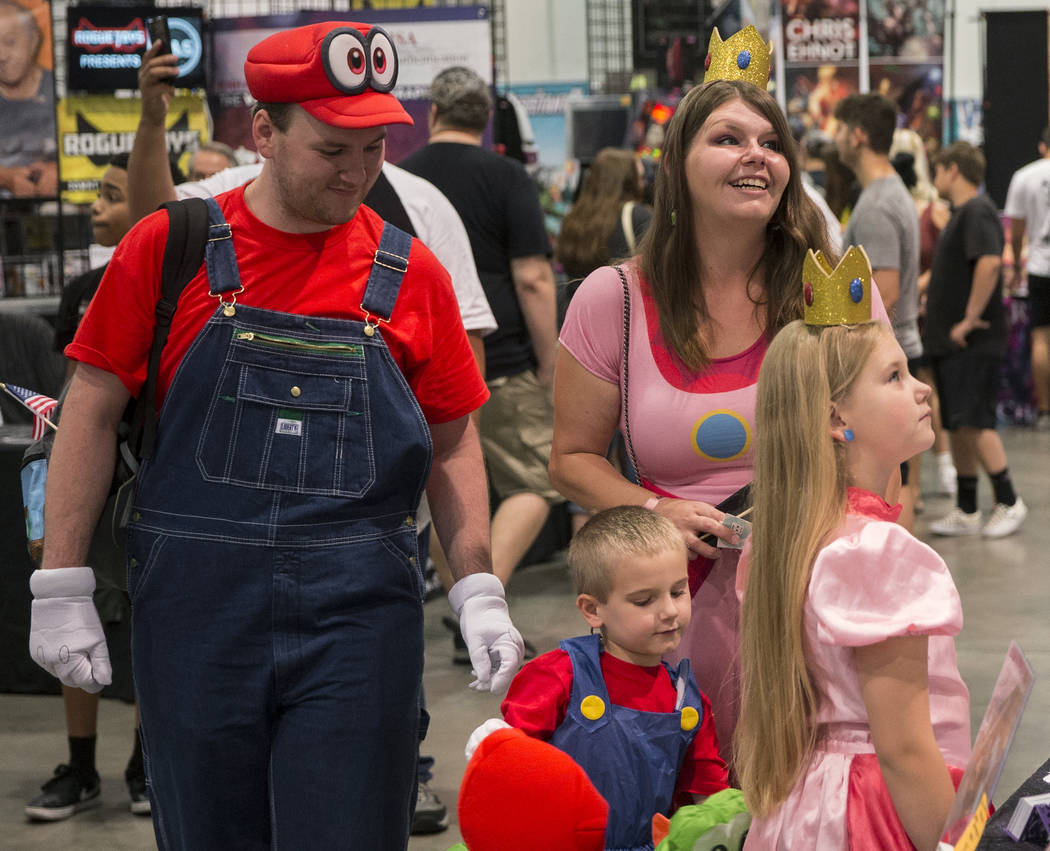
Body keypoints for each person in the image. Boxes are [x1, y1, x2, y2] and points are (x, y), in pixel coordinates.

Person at [26, 21, 523, 850]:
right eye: (333, 149)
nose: (358, 172)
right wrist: (61, 581)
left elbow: (451, 439)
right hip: (195, 609)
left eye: (372, 149)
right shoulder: (171, 248)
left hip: (360, 613)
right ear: (263, 130)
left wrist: (477, 587)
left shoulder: (412, 274)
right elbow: (92, 405)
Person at [549, 26, 891, 768]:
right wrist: (653, 509)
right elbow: (571, 458)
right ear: (677, 163)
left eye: (771, 142)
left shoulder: (826, 287)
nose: (755, 155)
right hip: (672, 616)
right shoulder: (614, 299)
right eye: (728, 137)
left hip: (816, 596)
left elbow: (888, 440)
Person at [736, 263, 971, 850]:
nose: (921, 388)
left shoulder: (793, 537)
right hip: (873, 813)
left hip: (805, 805)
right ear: (837, 418)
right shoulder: (875, 553)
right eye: (893, 377)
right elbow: (906, 750)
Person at [23, 152, 179, 822]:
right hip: (93, 478)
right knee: (74, 616)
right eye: (100, 195)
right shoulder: (83, 288)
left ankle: (146, 759)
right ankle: (80, 763)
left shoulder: (187, 279)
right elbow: (72, 406)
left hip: (155, 485)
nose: (97, 206)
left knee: (152, 627)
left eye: (113, 195)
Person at [401, 65, 561, 651]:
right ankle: (481, 595)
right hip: (502, 358)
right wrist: (551, 363)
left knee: (441, 486)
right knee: (539, 482)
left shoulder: (402, 178)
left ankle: (463, 599)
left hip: (420, 358)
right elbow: (534, 277)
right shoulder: (508, 176)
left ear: (433, 116)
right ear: (486, 119)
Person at [468, 505, 729, 850]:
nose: (669, 611)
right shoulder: (559, 676)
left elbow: (710, 802)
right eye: (644, 600)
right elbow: (511, 769)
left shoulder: (688, 703)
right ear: (593, 610)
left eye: (678, 592)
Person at [924, 141, 1028, 538]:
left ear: (953, 169)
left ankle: (1009, 500)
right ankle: (967, 508)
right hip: (953, 343)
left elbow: (988, 262)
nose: (936, 177)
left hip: (973, 341)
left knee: (977, 421)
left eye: (938, 169)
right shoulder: (964, 214)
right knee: (960, 422)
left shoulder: (978, 211)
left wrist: (968, 319)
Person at [834, 92, 923, 530]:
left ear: (857, 135)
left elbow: (880, 293)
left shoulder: (876, 205)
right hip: (894, 355)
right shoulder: (888, 194)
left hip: (883, 359)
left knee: (882, 484)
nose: (833, 140)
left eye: (838, 129)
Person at [889, 127, 957, 502]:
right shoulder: (892, 202)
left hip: (923, 317)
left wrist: (919, 289)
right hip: (901, 313)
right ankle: (908, 486)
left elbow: (948, 262)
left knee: (927, 392)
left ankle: (943, 466)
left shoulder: (936, 209)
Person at [556, 146, 653, 297]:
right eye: (640, 178)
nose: (644, 184)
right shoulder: (637, 215)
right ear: (628, 181)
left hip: (578, 308)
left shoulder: (574, 218)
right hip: (620, 311)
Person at [1003, 126, 1050, 430]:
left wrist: (1018, 267)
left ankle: (1045, 411)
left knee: (1041, 338)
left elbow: (1016, 231)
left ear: (1042, 145)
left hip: (1040, 265)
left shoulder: (1025, 176)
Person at [0, 0, 56, 197]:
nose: (2, 55)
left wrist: (60, 172)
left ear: (33, 40)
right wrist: (5, 177)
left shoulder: (59, 89)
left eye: (10, 42)